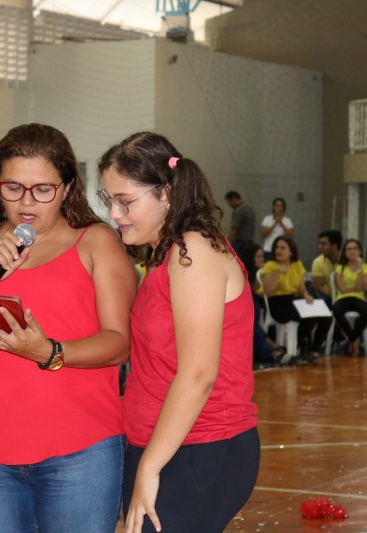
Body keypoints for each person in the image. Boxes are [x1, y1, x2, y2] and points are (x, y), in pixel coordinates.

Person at [0, 123, 135, 532]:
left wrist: (49, 352)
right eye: (13, 188)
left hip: (80, 452)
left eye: (43, 190)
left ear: (67, 188)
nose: (27, 202)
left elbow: (120, 343)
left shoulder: (95, 242)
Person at [99, 132, 260, 533]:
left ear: (166, 193)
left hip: (200, 447)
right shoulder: (165, 254)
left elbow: (198, 373)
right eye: (109, 200)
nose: (115, 213)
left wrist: (150, 466)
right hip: (164, 444)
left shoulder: (193, 252)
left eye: (125, 201)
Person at [260, 236, 331, 363]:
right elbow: (267, 291)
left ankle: (314, 350)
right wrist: (277, 272)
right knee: (311, 317)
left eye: (283, 248)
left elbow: (301, 288)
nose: (278, 250)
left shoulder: (297, 265)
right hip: (276, 303)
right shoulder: (270, 266)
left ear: (291, 252)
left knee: (326, 316)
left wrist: (306, 295)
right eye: (277, 247)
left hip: (294, 300)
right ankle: (293, 347)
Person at [238, 241, 285, 364]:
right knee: (253, 309)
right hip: (238, 308)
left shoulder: (257, 273)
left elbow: (262, 292)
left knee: (255, 309)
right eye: (259, 256)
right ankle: (270, 347)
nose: (262, 259)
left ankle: (268, 347)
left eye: (262, 256)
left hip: (250, 307)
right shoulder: (241, 273)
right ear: (251, 258)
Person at [332, 239, 367, 357]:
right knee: (336, 309)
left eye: (355, 248)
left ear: (360, 251)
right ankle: (354, 340)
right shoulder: (340, 267)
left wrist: (359, 269)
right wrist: (355, 287)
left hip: (359, 298)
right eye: (349, 249)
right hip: (342, 298)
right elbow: (342, 289)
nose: (352, 251)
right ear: (344, 252)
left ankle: (352, 339)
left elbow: (360, 288)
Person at [311, 230, 342, 306]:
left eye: (324, 244)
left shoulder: (347, 260)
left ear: (335, 246)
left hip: (346, 293)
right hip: (328, 295)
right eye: (320, 243)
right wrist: (334, 297)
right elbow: (319, 286)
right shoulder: (318, 262)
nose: (320, 247)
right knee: (318, 301)